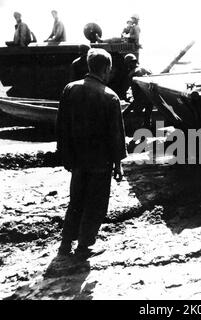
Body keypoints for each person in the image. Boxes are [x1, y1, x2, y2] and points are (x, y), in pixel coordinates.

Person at [56, 48, 127, 259]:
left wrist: (65, 156)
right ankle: (84, 246)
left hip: (77, 159)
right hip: (100, 162)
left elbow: (61, 126)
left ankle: (65, 243)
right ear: (106, 69)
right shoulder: (110, 97)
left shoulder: (70, 89)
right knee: (95, 204)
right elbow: (116, 135)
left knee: (76, 201)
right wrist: (118, 165)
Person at [122, 53, 153, 129]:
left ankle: (138, 133)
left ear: (129, 64)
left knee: (136, 117)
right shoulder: (147, 70)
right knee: (147, 117)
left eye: (127, 64)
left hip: (140, 99)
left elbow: (133, 91)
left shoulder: (132, 73)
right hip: (150, 98)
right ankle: (146, 131)